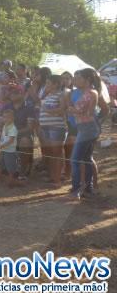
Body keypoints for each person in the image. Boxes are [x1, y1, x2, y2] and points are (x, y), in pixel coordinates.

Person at [68, 69, 101, 199]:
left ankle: (76, 189)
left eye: (79, 78)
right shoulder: (88, 93)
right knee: (86, 159)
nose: (76, 80)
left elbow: (82, 112)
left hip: (87, 129)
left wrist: (72, 110)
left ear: (87, 80)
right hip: (85, 128)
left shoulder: (91, 93)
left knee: (75, 160)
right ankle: (88, 188)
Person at [38, 75, 67, 188]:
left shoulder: (61, 95)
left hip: (56, 127)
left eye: (49, 83)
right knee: (50, 152)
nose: (46, 85)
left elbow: (62, 109)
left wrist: (47, 111)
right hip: (46, 127)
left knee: (57, 152)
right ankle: (53, 176)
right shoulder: (47, 95)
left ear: (56, 84)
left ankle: (58, 178)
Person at [0, 109, 24, 187]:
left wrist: (0, 146)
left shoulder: (13, 128)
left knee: (10, 167)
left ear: (13, 118)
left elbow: (11, 141)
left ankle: (11, 180)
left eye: (8, 117)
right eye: (4, 117)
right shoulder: (5, 126)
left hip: (10, 151)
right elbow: (4, 137)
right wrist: (0, 141)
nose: (6, 119)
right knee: (0, 164)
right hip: (3, 149)